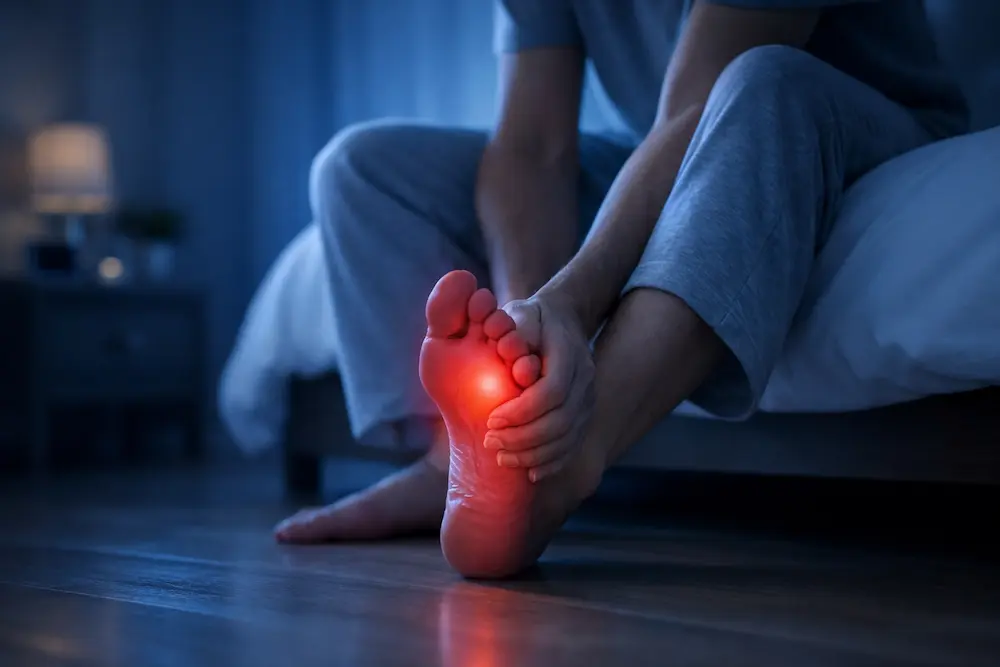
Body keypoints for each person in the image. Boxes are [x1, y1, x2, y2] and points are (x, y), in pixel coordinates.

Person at [274, 0, 968, 577]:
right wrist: (526, 335)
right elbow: (531, 147)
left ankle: (568, 463)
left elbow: (699, 104)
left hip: (839, 123)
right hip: (675, 140)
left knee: (764, 81)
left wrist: (572, 301)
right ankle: (469, 453)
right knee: (360, 169)